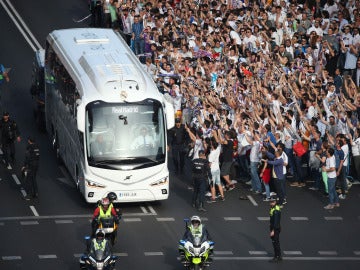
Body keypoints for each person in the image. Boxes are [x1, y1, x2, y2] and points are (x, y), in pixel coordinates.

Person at [269, 196, 282, 263]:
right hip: (274, 227)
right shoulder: (273, 208)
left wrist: (273, 231)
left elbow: (276, 222)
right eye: (270, 202)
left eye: (272, 202)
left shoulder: (276, 210)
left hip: (275, 228)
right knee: (275, 242)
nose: (271, 203)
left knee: (275, 242)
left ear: (275, 202)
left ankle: (277, 256)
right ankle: (277, 256)